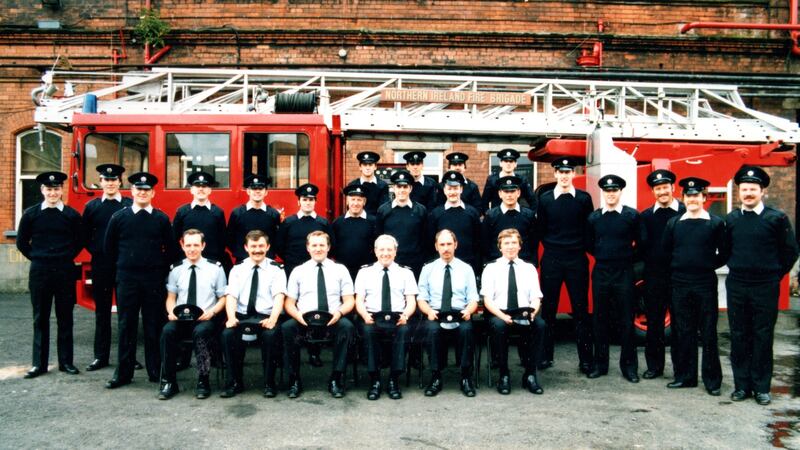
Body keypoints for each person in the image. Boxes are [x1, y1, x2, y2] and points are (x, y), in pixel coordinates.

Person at [724, 166, 799, 405]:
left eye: (752, 189)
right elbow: (725, 250)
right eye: (744, 189)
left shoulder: (776, 219)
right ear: (739, 192)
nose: (748, 193)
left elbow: (790, 252)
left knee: (762, 336)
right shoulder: (732, 219)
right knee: (739, 334)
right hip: (737, 284)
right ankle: (741, 386)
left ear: (762, 191)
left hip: (765, 286)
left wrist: (774, 275)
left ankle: (761, 387)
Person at [104, 172, 175, 389]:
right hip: (128, 279)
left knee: (154, 326)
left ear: (153, 193)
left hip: (153, 280)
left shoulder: (161, 219)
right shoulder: (119, 218)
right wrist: (123, 268)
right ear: (132, 191)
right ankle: (123, 373)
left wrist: (157, 269)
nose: (142, 193)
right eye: (138, 189)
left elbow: (171, 250)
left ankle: (156, 371)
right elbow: (109, 249)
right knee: (127, 325)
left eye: (147, 190)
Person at [662, 177, 726, 396]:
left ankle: (712, 381)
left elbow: (725, 253)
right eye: (688, 196)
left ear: (704, 198)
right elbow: (666, 251)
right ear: (683, 198)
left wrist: (707, 265)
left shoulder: (715, 223)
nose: (692, 199)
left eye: (696, 195)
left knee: (708, 332)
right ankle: (685, 377)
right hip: (680, 283)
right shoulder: (674, 224)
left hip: (704, 283)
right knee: (683, 331)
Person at [16, 171, 82, 379]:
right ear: (42, 190)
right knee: (40, 318)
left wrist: (65, 256)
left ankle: (66, 362)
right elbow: (21, 243)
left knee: (65, 318)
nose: (52, 193)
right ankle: (39, 364)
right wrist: (38, 257)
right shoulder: (31, 214)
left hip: (64, 270)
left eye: (56, 189)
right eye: (49, 189)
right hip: (40, 271)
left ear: (62, 190)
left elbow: (80, 241)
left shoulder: (71, 215)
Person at [536, 157, 594, 373]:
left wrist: (579, 249)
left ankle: (586, 360)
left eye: (568, 172)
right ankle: (545, 356)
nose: (564, 176)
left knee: (580, 310)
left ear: (573, 174)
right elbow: (540, 229)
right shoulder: (545, 199)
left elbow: (589, 230)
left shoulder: (583, 199)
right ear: (555, 174)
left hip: (576, 259)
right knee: (548, 311)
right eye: (560, 172)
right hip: (552, 258)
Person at [282, 231, 356, 399]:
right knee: (287, 328)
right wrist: (297, 315)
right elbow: (289, 303)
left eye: (322, 245)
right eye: (314, 245)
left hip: (332, 318)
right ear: (308, 248)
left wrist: (339, 313)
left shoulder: (340, 269)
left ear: (328, 247)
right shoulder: (298, 271)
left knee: (347, 327)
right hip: (304, 320)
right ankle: (294, 379)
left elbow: (349, 300)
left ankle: (336, 378)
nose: (318, 249)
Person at [158, 229, 227, 400]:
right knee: (167, 331)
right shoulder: (176, 269)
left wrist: (212, 312)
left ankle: (203, 380)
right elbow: (171, 297)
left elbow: (223, 298)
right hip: (182, 318)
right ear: (182, 246)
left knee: (201, 332)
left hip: (205, 318)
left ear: (203, 246)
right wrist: (171, 312)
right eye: (188, 245)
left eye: (196, 245)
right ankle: (169, 381)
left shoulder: (216, 269)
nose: (192, 249)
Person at [586, 174, 641, 382]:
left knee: (626, 320)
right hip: (601, 271)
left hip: (624, 272)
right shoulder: (594, 217)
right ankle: (600, 364)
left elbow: (641, 243)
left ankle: (629, 367)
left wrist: (625, 258)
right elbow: (589, 244)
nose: (611, 194)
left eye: (614, 190)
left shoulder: (631, 216)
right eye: (607, 191)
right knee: (600, 319)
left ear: (620, 192)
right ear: (603, 193)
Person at [220, 230, 286, 399]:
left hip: (265, 317)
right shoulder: (237, 269)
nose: (257, 250)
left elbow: (279, 296)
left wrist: (273, 319)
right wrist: (231, 317)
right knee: (228, 335)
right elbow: (231, 295)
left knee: (271, 336)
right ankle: (234, 382)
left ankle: (269, 383)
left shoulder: (276, 269)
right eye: (253, 246)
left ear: (268, 247)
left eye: (261, 246)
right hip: (241, 316)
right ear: (246, 247)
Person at [481, 229, 546, 395]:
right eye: (506, 243)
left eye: (514, 243)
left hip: (524, 313)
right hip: (499, 314)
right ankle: (504, 374)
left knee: (540, 325)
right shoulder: (491, 268)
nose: (510, 247)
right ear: (500, 247)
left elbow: (536, 297)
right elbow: (487, 300)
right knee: (499, 326)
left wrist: (533, 312)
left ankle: (530, 374)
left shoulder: (529, 268)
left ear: (520, 246)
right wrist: (503, 316)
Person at [416, 229, 479, 397]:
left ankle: (466, 377)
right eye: (442, 244)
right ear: (436, 247)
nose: (446, 248)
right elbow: (421, 298)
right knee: (432, 330)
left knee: (466, 330)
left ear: (456, 245)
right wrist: (428, 311)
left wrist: (468, 310)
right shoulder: (427, 269)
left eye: (449, 244)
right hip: (436, 313)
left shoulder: (466, 269)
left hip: (460, 313)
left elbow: (473, 298)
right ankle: (436, 377)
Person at [354, 234, 417, 400]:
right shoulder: (364, 272)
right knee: (368, 331)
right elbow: (359, 300)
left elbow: (411, 301)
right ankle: (374, 380)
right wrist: (365, 315)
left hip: (398, 318)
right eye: (381, 249)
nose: (385, 253)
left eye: (389, 249)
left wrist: (405, 315)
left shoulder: (406, 273)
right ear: (375, 251)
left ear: (395, 252)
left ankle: (393, 380)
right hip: (372, 317)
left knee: (404, 331)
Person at [82, 163, 132, 372]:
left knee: (126, 313)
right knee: (102, 312)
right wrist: (98, 250)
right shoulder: (92, 207)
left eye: (114, 180)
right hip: (102, 264)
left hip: (123, 265)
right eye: (106, 180)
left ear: (120, 182)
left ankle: (128, 357)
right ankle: (100, 356)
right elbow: (84, 235)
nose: (110, 184)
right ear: (101, 182)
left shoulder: (129, 205)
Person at [638, 169, 684, 380]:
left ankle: (681, 370)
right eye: (658, 188)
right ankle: (654, 367)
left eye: (665, 187)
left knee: (681, 325)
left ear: (673, 188)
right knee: (655, 323)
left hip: (679, 276)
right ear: (653, 191)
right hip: (654, 276)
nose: (662, 192)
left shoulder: (685, 212)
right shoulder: (646, 216)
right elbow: (641, 246)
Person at [172, 171, 230, 272]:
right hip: (187, 263)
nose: (201, 189)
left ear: (210, 190)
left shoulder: (217, 212)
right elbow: (174, 238)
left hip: (211, 264)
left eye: (205, 186)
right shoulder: (182, 212)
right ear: (191, 190)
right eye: (197, 186)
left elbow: (222, 240)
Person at [375, 170, 428, 277]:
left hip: (415, 264)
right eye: (399, 187)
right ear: (394, 188)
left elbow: (425, 239)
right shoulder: (383, 210)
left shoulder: (421, 210)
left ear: (410, 188)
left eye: (405, 187)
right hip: (391, 263)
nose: (402, 190)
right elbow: (378, 237)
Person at [427, 170, 482, 272]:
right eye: (449, 189)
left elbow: (478, 242)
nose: (452, 192)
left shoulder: (472, 213)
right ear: (444, 190)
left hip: (467, 265)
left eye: (456, 188)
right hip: (442, 266)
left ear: (461, 189)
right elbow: (430, 243)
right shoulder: (435, 214)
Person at [276, 183, 332, 277]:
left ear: (315, 201)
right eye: (304, 199)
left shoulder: (323, 223)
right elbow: (279, 246)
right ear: (299, 202)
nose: (308, 202)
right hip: (292, 269)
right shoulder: (288, 222)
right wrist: (291, 260)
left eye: (311, 199)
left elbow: (331, 246)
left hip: (317, 270)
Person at [481, 175, 538, 265]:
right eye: (506, 191)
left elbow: (534, 243)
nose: (509, 195)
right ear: (500, 193)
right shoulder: (491, 216)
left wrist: (532, 264)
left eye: (512, 191)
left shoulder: (529, 216)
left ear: (518, 193)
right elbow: (485, 244)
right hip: (497, 264)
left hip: (523, 264)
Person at [227, 174, 281, 263]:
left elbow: (277, 240)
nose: (257, 191)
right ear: (248, 191)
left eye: (260, 189)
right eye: (254, 189)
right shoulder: (237, 213)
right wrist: (242, 254)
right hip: (243, 262)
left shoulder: (273, 214)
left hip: (267, 263)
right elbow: (229, 239)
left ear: (266, 192)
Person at [331, 184, 378, 282]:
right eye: (353, 199)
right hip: (343, 272)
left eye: (359, 200)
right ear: (347, 201)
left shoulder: (374, 222)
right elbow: (332, 248)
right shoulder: (337, 223)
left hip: (368, 272)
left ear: (364, 202)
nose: (355, 203)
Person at [347, 151, 390, 216]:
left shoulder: (382, 185)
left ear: (375, 167)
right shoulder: (352, 185)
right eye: (364, 165)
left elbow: (384, 209)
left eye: (370, 165)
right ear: (360, 167)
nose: (367, 168)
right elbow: (350, 207)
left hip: (376, 223)